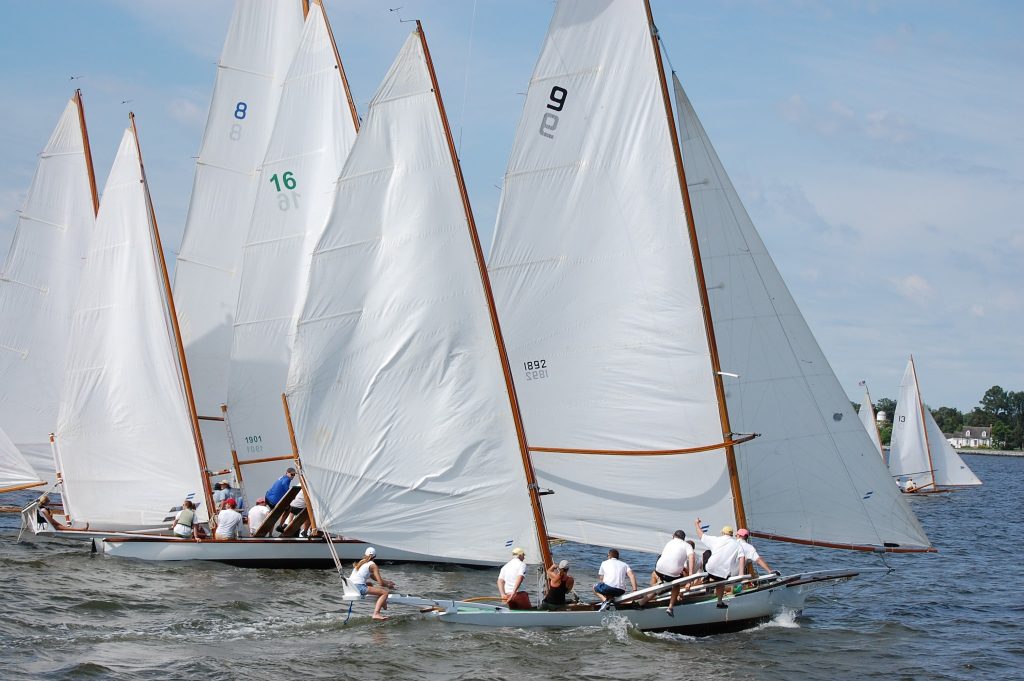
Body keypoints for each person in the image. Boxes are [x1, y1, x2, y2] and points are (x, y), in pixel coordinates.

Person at [694, 518, 745, 609]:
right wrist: (741, 574)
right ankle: (719, 602)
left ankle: (707, 577)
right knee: (721, 582)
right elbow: (742, 557)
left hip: (710, 570)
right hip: (722, 575)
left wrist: (696, 524)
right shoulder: (738, 545)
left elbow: (701, 535)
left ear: (722, 533)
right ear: (732, 534)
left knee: (707, 553)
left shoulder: (716, 540)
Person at [650, 530, 695, 616]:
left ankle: (642, 601)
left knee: (660, 580)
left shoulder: (669, 542)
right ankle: (670, 607)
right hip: (672, 574)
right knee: (677, 584)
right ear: (684, 539)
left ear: (673, 536)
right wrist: (690, 577)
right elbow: (691, 557)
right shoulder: (687, 545)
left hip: (658, 570)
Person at [350, 547, 396, 620]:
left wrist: (387, 582)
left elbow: (373, 576)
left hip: (351, 587)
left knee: (370, 584)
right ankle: (376, 613)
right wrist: (388, 586)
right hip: (359, 587)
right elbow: (380, 583)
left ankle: (383, 602)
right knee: (385, 593)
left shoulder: (362, 562)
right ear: (375, 556)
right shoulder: (373, 565)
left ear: (365, 554)